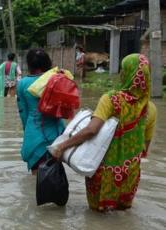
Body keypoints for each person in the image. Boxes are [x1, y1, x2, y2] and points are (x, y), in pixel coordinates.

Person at [50, 53, 157, 211]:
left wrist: (62, 146)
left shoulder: (111, 100)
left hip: (103, 173)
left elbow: (91, 130)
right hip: (130, 173)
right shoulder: (150, 108)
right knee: (122, 216)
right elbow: (144, 149)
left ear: (125, 73)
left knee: (97, 216)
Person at [16, 49, 65, 175]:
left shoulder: (22, 84)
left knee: (37, 181)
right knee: (55, 176)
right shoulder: (56, 79)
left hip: (34, 132)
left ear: (29, 65)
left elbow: (23, 113)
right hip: (56, 133)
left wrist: (27, 131)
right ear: (47, 62)